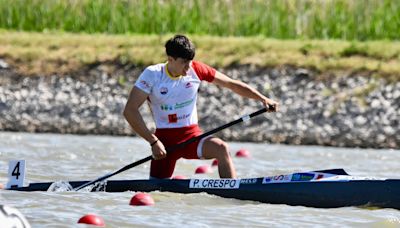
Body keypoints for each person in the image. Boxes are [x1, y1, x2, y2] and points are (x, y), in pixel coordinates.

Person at [123, 34, 279, 179]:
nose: (188, 67)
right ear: (170, 59)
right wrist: (153, 142)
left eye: (190, 62)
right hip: (165, 144)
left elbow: (232, 84)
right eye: (184, 63)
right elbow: (130, 110)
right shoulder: (152, 74)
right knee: (156, 191)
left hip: (192, 138)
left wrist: (263, 98)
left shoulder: (196, 69)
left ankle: (232, 192)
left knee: (221, 148)